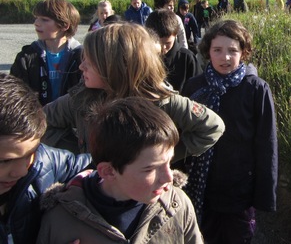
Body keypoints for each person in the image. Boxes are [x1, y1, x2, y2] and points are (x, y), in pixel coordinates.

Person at [42, 22, 225, 161]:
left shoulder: (160, 101)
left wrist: (161, 156)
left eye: (90, 61)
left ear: (116, 67)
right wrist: (84, 156)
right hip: (96, 192)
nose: (81, 67)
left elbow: (212, 127)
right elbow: (41, 123)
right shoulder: (81, 98)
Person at [36, 97, 203, 244]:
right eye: (150, 169)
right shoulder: (61, 219)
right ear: (108, 171)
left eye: (169, 162)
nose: (168, 177)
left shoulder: (177, 205)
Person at [181, 20, 278, 244]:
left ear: (243, 53)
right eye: (218, 50)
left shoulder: (255, 89)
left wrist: (264, 194)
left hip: (239, 191)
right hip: (200, 187)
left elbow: (266, 144)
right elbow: (180, 135)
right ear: (207, 52)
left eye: (232, 51)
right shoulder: (194, 87)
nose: (225, 57)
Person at [0, 73, 91, 244]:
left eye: (30, 154)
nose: (21, 171)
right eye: (4, 161)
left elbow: (99, 165)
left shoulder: (45, 160)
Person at [10, 0, 82, 106]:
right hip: (36, 120)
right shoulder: (26, 57)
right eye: (36, 18)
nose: (36, 23)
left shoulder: (82, 57)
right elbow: (15, 96)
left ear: (64, 25)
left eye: (44, 19)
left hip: (72, 121)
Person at [146, 10, 202, 92]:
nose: (163, 47)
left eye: (167, 43)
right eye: (158, 43)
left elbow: (198, 89)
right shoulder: (142, 58)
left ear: (175, 35)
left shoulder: (187, 58)